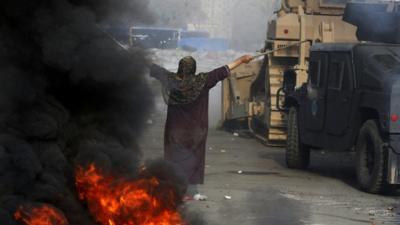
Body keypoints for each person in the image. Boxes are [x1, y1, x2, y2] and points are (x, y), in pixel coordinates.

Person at [150, 55, 253, 199]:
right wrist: (242, 60)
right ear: (193, 69)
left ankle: (174, 191)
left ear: (180, 68)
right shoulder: (203, 81)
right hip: (196, 132)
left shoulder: (171, 79)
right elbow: (223, 70)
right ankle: (190, 192)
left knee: (174, 159)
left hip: (175, 131)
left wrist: (135, 57)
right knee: (193, 159)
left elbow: (152, 68)